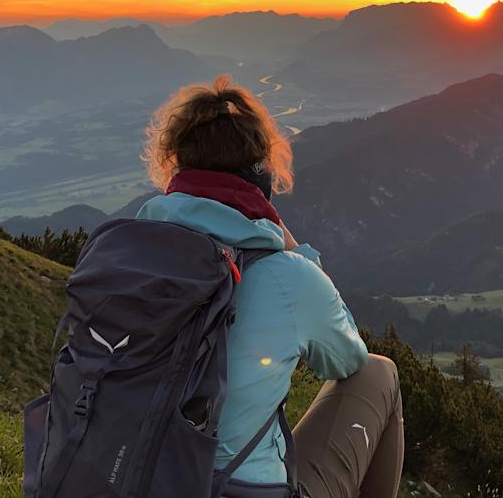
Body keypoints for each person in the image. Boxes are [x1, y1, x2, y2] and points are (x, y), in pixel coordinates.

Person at [135, 75, 404, 498]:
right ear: (261, 170)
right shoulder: (284, 274)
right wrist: (295, 252)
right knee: (378, 371)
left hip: (117, 476)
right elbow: (347, 359)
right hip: (230, 489)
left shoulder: (127, 251)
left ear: (176, 162)